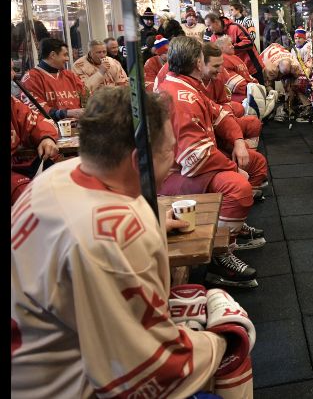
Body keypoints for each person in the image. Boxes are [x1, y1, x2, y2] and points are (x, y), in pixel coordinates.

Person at [11, 86, 255, 398]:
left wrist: (151, 223)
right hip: (65, 385)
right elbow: (144, 373)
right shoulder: (114, 237)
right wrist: (222, 341)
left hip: (44, 353)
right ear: (139, 160)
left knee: (196, 301)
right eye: (170, 150)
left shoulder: (58, 176)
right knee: (233, 340)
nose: (175, 159)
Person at [156, 36, 267, 288]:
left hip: (190, 164)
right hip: (175, 174)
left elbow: (222, 113)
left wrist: (238, 141)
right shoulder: (180, 95)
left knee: (252, 164)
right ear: (197, 61)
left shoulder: (185, 85)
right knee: (238, 186)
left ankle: (230, 231)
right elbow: (195, 155)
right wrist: (233, 167)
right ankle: (218, 255)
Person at [11, 64, 59, 205]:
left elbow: (37, 121)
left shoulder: (13, 104)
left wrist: (47, 138)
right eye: (11, 69)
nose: (14, 75)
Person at [200, 42, 262, 141]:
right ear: (200, 64)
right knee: (255, 157)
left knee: (247, 116)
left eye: (221, 65)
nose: (220, 70)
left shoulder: (220, 76)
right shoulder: (189, 82)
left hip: (219, 117)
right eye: (216, 66)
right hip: (206, 127)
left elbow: (224, 103)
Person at [20, 38, 86, 122]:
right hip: (50, 130)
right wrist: (65, 113)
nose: (68, 59)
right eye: (65, 55)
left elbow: (86, 97)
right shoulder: (31, 78)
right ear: (53, 55)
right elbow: (36, 109)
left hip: (78, 127)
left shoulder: (70, 75)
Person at [205, 12, 264, 84]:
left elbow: (249, 42)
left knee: (259, 92)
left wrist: (232, 48)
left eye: (209, 25)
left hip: (252, 68)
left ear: (216, 22)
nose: (208, 29)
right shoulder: (213, 38)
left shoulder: (235, 27)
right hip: (235, 72)